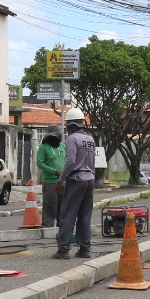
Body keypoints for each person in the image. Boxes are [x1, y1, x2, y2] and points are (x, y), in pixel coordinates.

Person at [55, 108, 96, 259]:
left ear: (70, 125)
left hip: (76, 180)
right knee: (85, 216)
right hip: (90, 180)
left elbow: (70, 161)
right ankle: (85, 249)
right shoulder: (90, 139)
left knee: (68, 214)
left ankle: (63, 249)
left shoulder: (72, 139)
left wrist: (61, 180)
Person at [36, 130, 64, 224]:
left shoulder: (63, 146)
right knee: (50, 206)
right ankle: (47, 226)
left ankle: (63, 227)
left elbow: (68, 160)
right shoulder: (43, 147)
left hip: (63, 181)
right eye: (57, 136)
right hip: (50, 182)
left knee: (63, 207)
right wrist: (53, 171)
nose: (59, 138)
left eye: (60, 136)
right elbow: (39, 163)